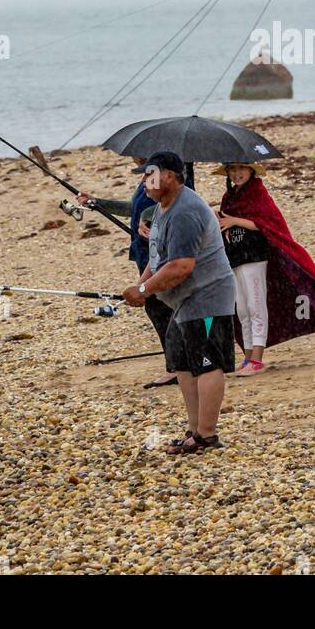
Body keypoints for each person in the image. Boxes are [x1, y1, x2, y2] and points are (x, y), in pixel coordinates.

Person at [120, 151, 236, 455]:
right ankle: (194, 429)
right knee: (183, 363)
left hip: (208, 297)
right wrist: (140, 285)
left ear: (170, 176)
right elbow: (159, 259)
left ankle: (207, 435)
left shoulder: (186, 211)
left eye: (151, 175)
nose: (145, 182)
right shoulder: (161, 209)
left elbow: (182, 266)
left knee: (209, 364)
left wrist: (144, 289)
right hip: (183, 302)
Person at [78, 155, 192, 389]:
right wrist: (98, 203)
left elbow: (164, 209)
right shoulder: (147, 181)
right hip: (144, 254)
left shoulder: (168, 183)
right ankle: (177, 364)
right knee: (156, 307)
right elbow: (136, 209)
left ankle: (178, 367)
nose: (133, 160)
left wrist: (146, 219)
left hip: (161, 254)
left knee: (163, 308)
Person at [214, 162, 315, 374]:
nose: (236, 174)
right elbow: (228, 223)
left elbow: (266, 224)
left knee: (255, 304)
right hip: (235, 256)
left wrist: (235, 220)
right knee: (241, 308)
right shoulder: (229, 197)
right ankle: (248, 356)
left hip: (254, 256)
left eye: (241, 169)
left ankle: (257, 359)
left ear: (250, 170)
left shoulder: (258, 192)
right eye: (232, 170)